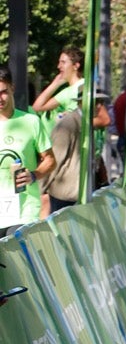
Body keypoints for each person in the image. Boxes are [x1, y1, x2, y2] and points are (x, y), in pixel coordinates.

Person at [0, 69, 56, 235]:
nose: (0, 98)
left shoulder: (31, 121)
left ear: (12, 88)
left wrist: (34, 175)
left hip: (24, 212)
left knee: (18, 259)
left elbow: (51, 160)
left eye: (3, 92)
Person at [31, 47, 84, 120]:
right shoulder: (66, 92)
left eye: (63, 62)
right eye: (59, 62)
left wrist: (55, 84)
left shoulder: (85, 85)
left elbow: (37, 107)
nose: (58, 66)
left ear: (76, 66)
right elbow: (36, 108)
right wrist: (55, 84)